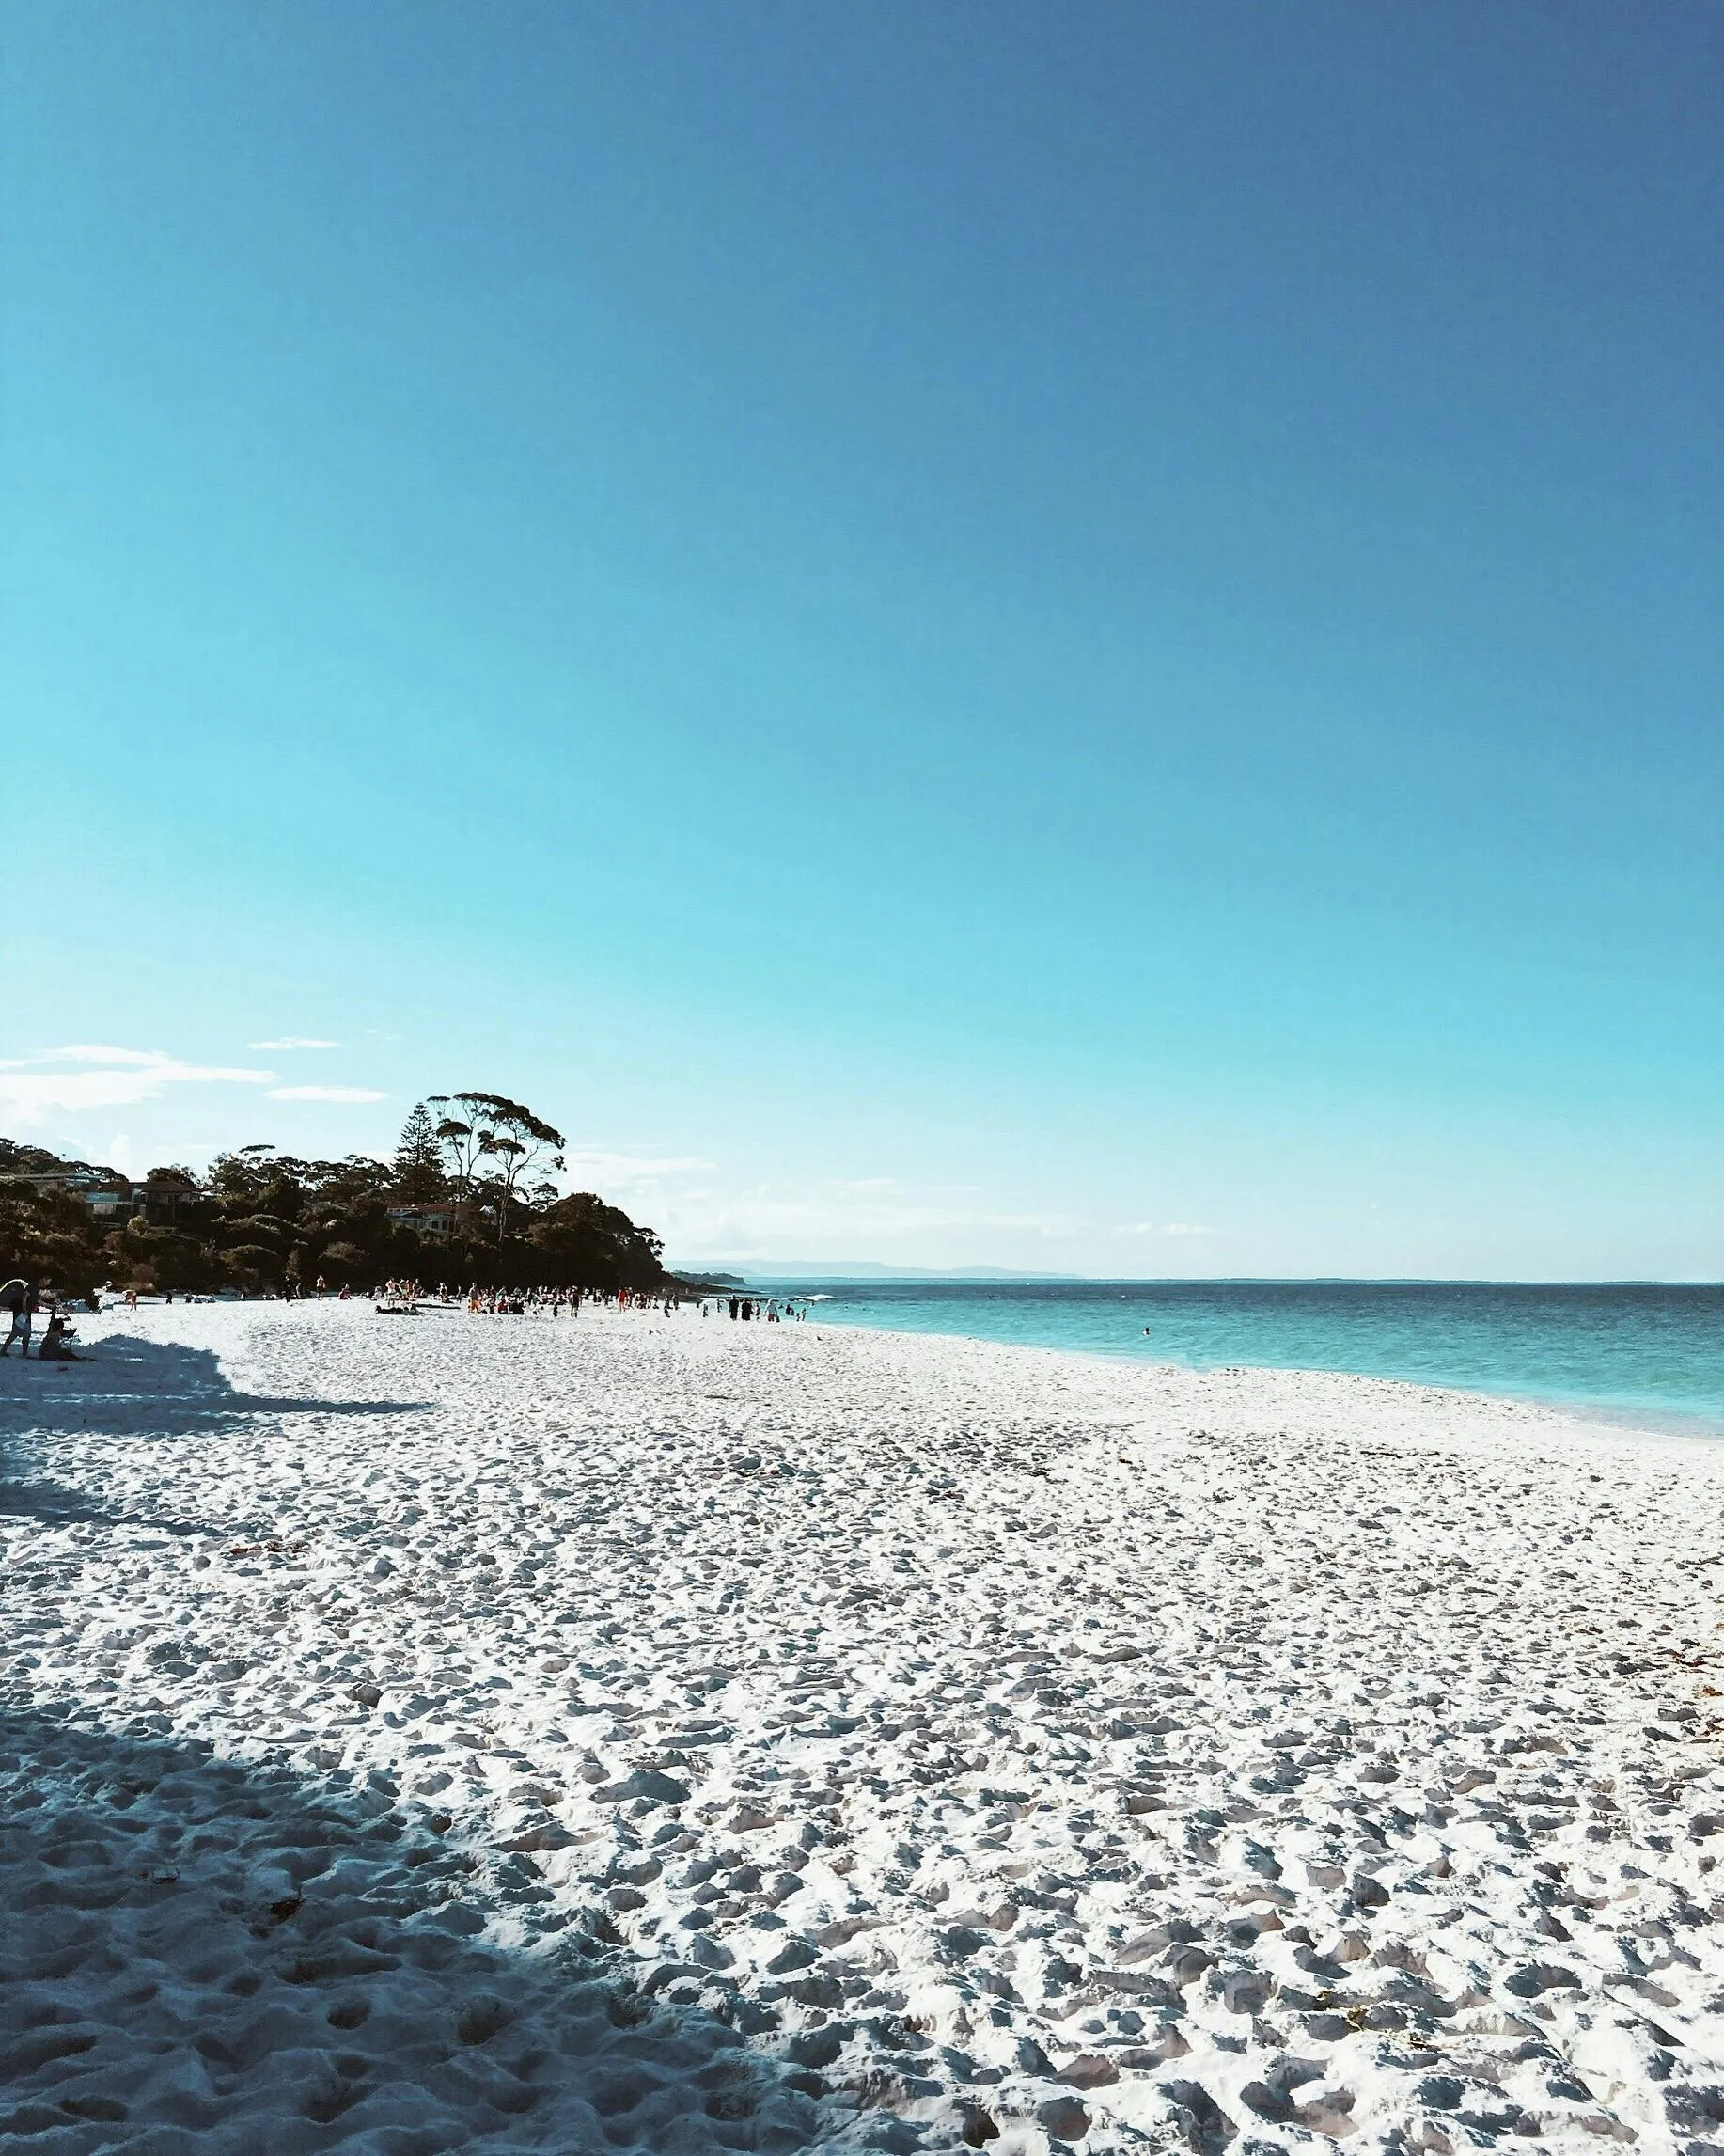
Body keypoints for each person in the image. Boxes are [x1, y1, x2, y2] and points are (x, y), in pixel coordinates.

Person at [1, 1279, 37, 1358]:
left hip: (22, 1314)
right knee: (21, 1334)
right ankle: (22, 1352)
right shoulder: (26, 1293)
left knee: (20, 1334)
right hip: (22, 1314)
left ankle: (5, 1350)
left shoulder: (25, 1293)